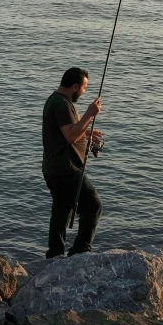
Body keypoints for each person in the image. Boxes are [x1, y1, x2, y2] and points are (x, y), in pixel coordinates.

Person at [42, 67, 103, 258]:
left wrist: (85, 133)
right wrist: (89, 114)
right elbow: (69, 135)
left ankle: (54, 254)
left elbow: (66, 132)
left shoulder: (54, 100)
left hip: (53, 167)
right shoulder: (62, 104)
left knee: (61, 211)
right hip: (66, 169)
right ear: (75, 86)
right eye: (84, 88)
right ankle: (80, 250)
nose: (84, 92)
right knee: (93, 205)